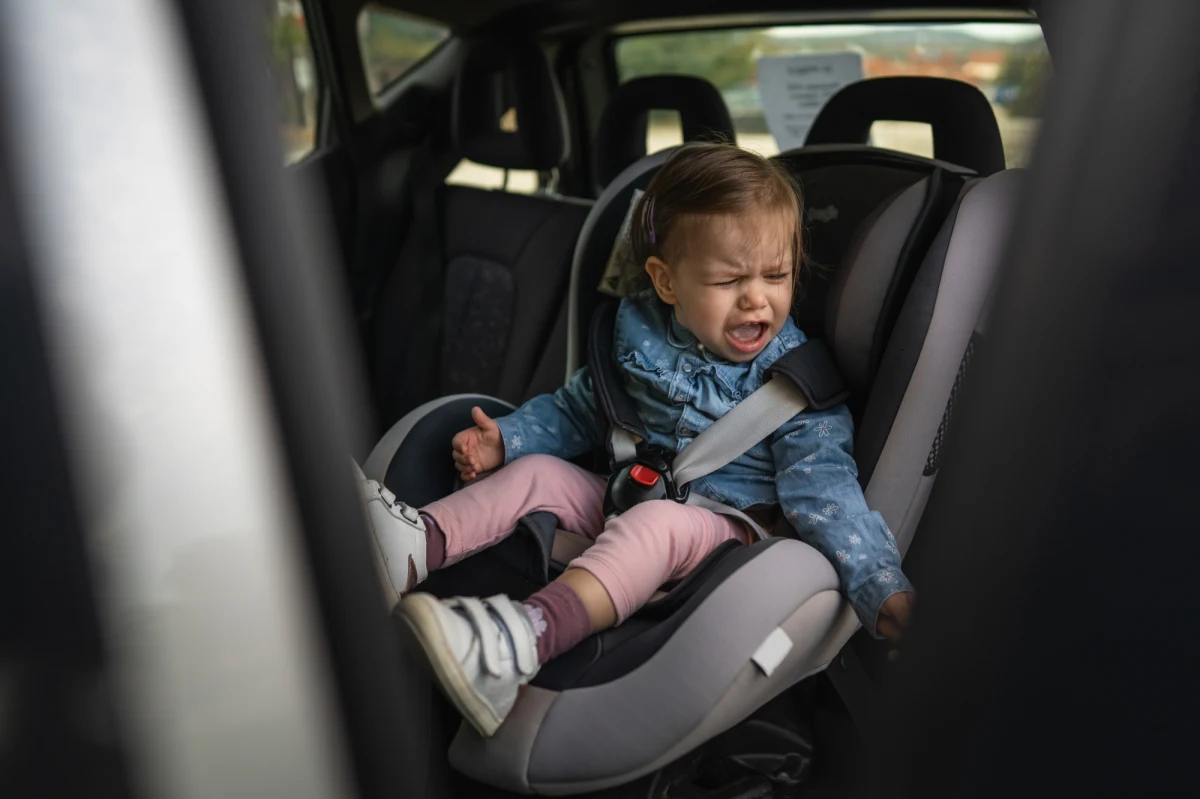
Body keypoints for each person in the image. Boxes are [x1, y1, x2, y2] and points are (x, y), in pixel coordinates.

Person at [362, 143, 914, 738]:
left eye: (777, 276)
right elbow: (581, 409)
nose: (758, 298)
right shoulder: (638, 335)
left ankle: (519, 641)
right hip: (628, 491)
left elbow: (827, 496)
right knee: (538, 474)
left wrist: (879, 586)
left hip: (726, 534)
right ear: (666, 282)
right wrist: (510, 440)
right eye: (729, 279)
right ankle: (413, 543)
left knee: (657, 527)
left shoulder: (796, 384)